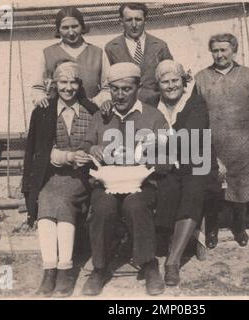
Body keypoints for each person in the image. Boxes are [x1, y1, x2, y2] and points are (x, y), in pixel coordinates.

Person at [80, 62, 167, 296]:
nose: (120, 95)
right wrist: (93, 149)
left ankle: (149, 265)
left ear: (138, 87)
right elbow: (85, 145)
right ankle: (100, 268)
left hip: (142, 184)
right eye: (115, 89)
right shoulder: (102, 116)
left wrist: (144, 156)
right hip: (107, 183)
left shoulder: (153, 116)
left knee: (135, 205)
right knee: (103, 207)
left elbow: (168, 155)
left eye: (126, 89)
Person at [22, 61, 96, 297]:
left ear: (80, 84)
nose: (68, 87)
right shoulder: (43, 111)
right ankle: (49, 269)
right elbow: (36, 151)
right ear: (54, 84)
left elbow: (99, 143)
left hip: (81, 177)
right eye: (63, 82)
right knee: (46, 198)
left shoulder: (91, 111)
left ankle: (65, 270)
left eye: (73, 81)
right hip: (51, 176)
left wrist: (88, 155)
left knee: (62, 200)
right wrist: (65, 156)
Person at [193, 33, 249, 247]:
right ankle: (211, 231)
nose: (219, 54)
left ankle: (240, 227)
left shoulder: (247, 75)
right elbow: (193, 110)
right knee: (212, 188)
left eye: (223, 50)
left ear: (233, 50)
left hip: (243, 143)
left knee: (240, 187)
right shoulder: (201, 78)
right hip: (213, 143)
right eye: (215, 50)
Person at [146, 60, 210, 286]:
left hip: (195, 162)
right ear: (158, 84)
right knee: (168, 189)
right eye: (165, 81)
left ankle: (172, 262)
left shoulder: (195, 104)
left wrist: (158, 142)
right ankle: (173, 243)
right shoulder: (151, 104)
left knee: (193, 192)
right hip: (166, 164)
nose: (171, 85)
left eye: (175, 80)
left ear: (183, 81)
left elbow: (190, 137)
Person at [32, 6, 110, 112]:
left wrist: (98, 101)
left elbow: (108, 87)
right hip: (58, 116)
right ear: (58, 30)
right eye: (65, 28)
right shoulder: (47, 53)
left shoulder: (98, 53)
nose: (71, 32)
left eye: (75, 26)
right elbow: (38, 88)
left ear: (82, 27)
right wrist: (40, 98)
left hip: (91, 113)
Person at [104, 3, 173, 103]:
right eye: (129, 20)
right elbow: (107, 84)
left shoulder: (160, 46)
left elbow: (170, 76)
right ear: (121, 21)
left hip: (156, 105)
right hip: (125, 106)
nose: (134, 25)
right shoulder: (111, 48)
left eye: (138, 19)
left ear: (145, 20)